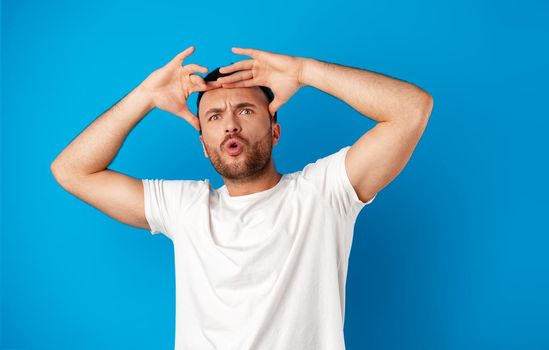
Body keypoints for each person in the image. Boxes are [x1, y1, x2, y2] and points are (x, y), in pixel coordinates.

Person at [50, 45, 433, 349]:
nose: (230, 123)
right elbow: (71, 170)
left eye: (245, 109)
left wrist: (304, 71)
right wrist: (146, 95)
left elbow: (411, 110)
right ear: (204, 146)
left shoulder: (324, 192)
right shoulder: (185, 207)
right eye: (214, 116)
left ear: (275, 131)